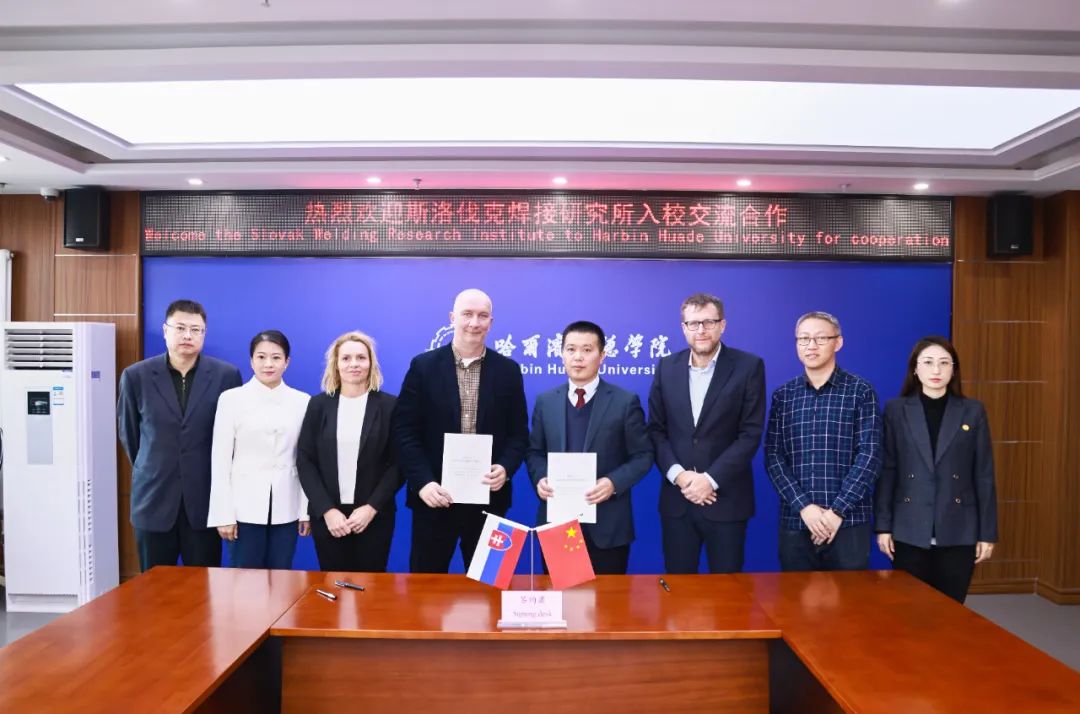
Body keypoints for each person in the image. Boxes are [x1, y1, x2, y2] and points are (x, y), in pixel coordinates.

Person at [393, 288, 529, 573]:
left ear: (491, 322)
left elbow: (518, 434)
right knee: (426, 589)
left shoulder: (508, 371)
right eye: (467, 314)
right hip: (434, 498)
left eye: (482, 316)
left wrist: (505, 468)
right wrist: (423, 482)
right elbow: (404, 431)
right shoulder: (423, 367)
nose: (474, 323)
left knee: (490, 583)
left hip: (490, 499)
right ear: (452, 318)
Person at [118, 299, 242, 571]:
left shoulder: (226, 376)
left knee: (204, 587)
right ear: (165, 330)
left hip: (204, 502)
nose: (188, 335)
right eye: (180, 328)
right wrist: (156, 465)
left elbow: (232, 440)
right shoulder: (136, 376)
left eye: (196, 330)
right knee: (153, 587)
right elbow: (130, 435)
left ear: (204, 334)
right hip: (154, 498)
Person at [648, 293, 766, 574]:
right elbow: (655, 430)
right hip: (678, 501)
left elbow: (749, 434)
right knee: (678, 588)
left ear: (722, 325)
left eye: (708, 322)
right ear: (683, 328)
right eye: (693, 323)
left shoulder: (748, 367)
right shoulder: (667, 367)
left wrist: (710, 480)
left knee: (728, 593)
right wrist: (680, 476)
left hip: (726, 501)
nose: (701, 330)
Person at [874, 336, 998, 603]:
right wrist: (883, 526)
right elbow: (888, 470)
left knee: (951, 610)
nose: (936, 370)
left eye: (944, 363)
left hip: (959, 528)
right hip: (908, 526)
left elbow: (984, 475)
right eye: (928, 362)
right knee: (909, 609)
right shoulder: (896, 410)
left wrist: (987, 533)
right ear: (915, 369)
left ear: (954, 369)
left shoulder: (972, 411)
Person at [527, 321, 653, 574]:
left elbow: (643, 455)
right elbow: (534, 452)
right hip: (557, 522)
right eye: (571, 349)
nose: (578, 357)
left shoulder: (624, 401)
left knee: (607, 599)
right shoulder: (545, 401)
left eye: (587, 350)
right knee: (559, 596)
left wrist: (613, 483)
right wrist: (540, 478)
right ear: (561, 354)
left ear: (602, 355)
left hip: (608, 526)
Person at [765, 311, 881, 571]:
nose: (811, 346)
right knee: (795, 596)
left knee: (851, 596)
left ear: (838, 342)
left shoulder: (860, 391)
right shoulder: (784, 396)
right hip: (797, 521)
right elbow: (773, 457)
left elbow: (870, 455)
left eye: (820, 338)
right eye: (804, 339)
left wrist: (836, 511)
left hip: (848, 522)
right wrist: (804, 507)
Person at [297, 331, 400, 572]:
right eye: (346, 358)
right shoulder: (318, 405)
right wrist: (327, 510)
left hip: (374, 517)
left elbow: (398, 464)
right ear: (336, 364)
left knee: (371, 588)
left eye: (361, 358)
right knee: (334, 587)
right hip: (330, 519)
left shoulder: (389, 406)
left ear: (371, 363)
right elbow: (305, 460)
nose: (354, 364)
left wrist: (371, 508)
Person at [208, 330, 311, 569]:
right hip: (242, 508)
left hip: (287, 505)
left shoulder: (302, 401)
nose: (268, 364)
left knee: (282, 577)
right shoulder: (231, 399)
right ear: (251, 361)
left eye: (276, 357)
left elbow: (307, 459)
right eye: (261, 357)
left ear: (287, 362)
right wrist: (223, 514)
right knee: (245, 580)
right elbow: (220, 460)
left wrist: (305, 511)